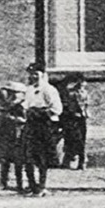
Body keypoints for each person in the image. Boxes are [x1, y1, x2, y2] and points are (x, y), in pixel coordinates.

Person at [23, 63, 62, 196]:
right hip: (31, 124)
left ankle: (42, 185)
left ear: (43, 75)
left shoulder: (48, 89)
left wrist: (41, 113)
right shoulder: (29, 89)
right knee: (29, 156)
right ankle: (32, 185)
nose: (33, 76)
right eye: (31, 74)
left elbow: (57, 109)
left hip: (44, 125)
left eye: (36, 74)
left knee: (42, 157)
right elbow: (26, 105)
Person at [0, 82, 28, 193]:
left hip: (17, 135)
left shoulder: (21, 105)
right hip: (5, 134)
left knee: (18, 161)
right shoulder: (5, 105)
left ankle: (19, 183)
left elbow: (24, 120)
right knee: (4, 160)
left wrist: (11, 118)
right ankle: (3, 182)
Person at [60, 76, 91, 170]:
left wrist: (85, 112)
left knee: (81, 140)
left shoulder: (84, 93)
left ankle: (81, 162)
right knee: (71, 139)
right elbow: (69, 106)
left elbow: (85, 105)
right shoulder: (71, 94)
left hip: (81, 118)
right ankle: (68, 161)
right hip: (72, 118)